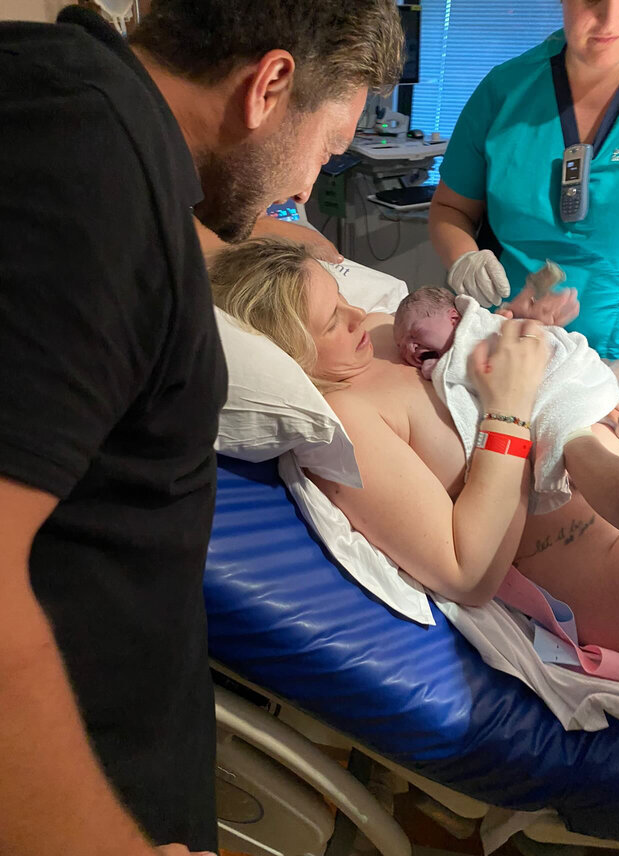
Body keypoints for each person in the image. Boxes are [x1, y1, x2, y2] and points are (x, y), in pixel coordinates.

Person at [0, 2, 403, 855]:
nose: (302, 192)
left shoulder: (98, 126)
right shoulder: (85, 163)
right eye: (326, 149)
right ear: (269, 85)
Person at [209, 237, 619, 659]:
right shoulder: (348, 419)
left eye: (341, 296)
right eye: (331, 322)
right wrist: (510, 407)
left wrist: (519, 328)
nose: (359, 313)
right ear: (291, 353)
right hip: (605, 557)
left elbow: (477, 340)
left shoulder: (379, 328)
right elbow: (467, 573)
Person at [428, 0, 619, 447]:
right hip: (509, 343)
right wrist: (464, 258)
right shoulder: (505, 91)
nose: (608, 17)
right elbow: (450, 210)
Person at [393, 285, 619, 544]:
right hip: (595, 389)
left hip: (575, 376)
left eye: (415, 333)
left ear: (454, 318)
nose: (409, 348)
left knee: (577, 446)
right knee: (585, 446)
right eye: (401, 345)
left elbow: (483, 365)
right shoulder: (476, 331)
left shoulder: (473, 333)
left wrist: (440, 366)